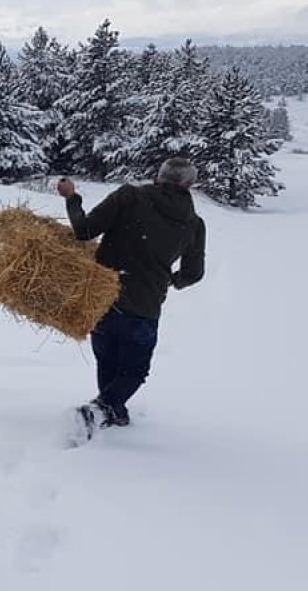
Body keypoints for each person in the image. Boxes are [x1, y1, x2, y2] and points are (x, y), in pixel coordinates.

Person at [57, 158, 206, 430]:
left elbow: (84, 231)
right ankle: (108, 410)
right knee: (135, 370)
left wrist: (71, 197)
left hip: (103, 298)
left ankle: (104, 409)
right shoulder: (194, 223)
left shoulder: (129, 196)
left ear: (158, 176)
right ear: (188, 185)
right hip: (145, 306)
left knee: (108, 360)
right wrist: (171, 280)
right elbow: (193, 273)